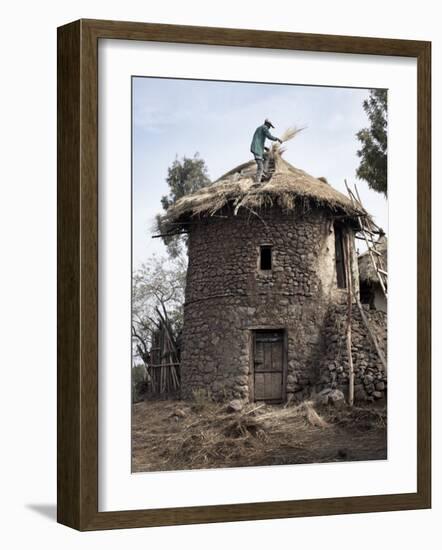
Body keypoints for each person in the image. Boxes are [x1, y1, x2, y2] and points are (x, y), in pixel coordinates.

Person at [250, 119, 282, 183]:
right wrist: (277, 139)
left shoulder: (259, 128)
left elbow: (258, 140)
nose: (269, 128)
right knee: (260, 167)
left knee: (267, 156)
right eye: (269, 126)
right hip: (257, 149)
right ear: (267, 124)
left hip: (259, 148)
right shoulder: (264, 127)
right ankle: (257, 182)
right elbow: (269, 136)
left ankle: (264, 172)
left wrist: (264, 148)